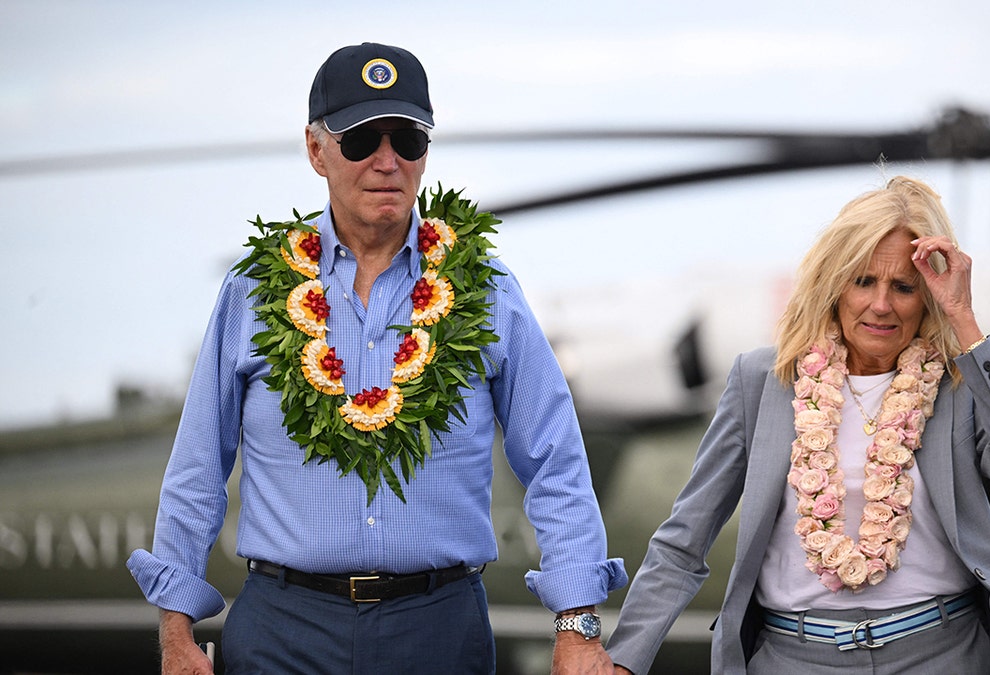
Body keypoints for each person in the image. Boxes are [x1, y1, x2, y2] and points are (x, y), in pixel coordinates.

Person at [126, 42, 626, 674]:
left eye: (408, 141)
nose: (387, 161)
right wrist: (175, 632)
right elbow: (198, 466)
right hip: (283, 633)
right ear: (316, 150)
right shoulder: (253, 291)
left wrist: (578, 629)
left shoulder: (487, 290)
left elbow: (556, 458)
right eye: (362, 139)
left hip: (438, 630)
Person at [605, 176, 990, 674]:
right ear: (833, 283)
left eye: (904, 287)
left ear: (927, 296)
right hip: (792, 657)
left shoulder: (958, 384)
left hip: (940, 653)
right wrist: (624, 661)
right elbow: (683, 540)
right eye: (863, 280)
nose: (881, 305)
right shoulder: (761, 381)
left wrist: (963, 317)